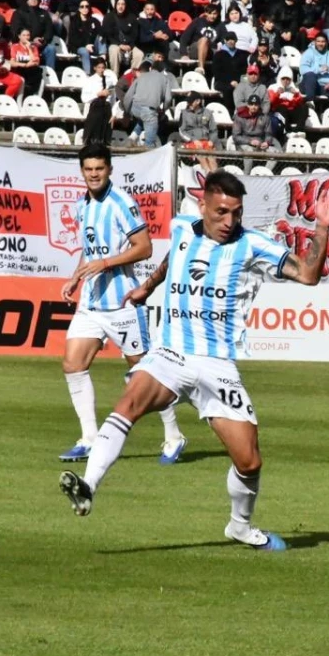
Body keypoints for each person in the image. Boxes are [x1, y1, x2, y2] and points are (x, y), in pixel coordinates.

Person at [58, 173, 329, 553]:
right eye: (222, 212)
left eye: (237, 213)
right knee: (130, 401)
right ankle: (88, 486)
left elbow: (309, 276)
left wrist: (322, 228)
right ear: (203, 207)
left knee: (249, 460)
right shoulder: (181, 228)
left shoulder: (252, 245)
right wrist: (148, 286)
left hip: (217, 364)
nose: (230, 221)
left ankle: (240, 527)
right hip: (171, 352)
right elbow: (168, 260)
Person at [55, 145, 186, 466]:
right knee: (73, 364)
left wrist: (107, 262)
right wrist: (76, 278)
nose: (94, 174)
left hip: (123, 303)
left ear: (109, 169)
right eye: (89, 169)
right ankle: (88, 438)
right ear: (82, 172)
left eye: (99, 168)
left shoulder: (121, 203)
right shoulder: (82, 205)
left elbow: (144, 247)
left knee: (144, 373)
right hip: (91, 302)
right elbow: (90, 251)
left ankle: (173, 435)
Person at [122, 58, 172, 147]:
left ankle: (132, 137)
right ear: (163, 70)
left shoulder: (141, 76)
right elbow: (168, 99)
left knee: (144, 117)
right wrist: (163, 110)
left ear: (151, 68)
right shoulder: (165, 79)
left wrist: (127, 112)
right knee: (149, 144)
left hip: (135, 108)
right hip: (149, 110)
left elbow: (128, 96)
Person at [299, 33, 329, 107]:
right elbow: (303, 70)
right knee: (310, 75)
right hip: (308, 85)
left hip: (325, 87)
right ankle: (310, 103)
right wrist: (320, 69)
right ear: (315, 42)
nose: (320, 44)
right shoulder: (308, 53)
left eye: (323, 41)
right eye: (318, 41)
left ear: (326, 43)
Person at [12, 0, 57, 71]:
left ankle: (50, 74)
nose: (33, 0)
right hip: (24, 45)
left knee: (51, 49)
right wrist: (31, 41)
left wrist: (43, 40)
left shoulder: (44, 13)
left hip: (40, 45)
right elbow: (16, 31)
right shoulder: (19, 13)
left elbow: (49, 31)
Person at [179, 2, 221, 72]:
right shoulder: (197, 21)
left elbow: (225, 38)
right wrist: (184, 54)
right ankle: (201, 69)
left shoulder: (220, 25)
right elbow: (184, 38)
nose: (212, 16)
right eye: (210, 13)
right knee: (204, 39)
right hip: (195, 49)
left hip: (210, 51)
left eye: (214, 14)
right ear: (205, 13)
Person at [102, 0, 141, 73]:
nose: (120, 6)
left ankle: (131, 77)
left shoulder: (132, 17)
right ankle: (115, 76)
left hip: (129, 45)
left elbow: (135, 35)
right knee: (114, 50)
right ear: (115, 5)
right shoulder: (109, 17)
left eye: (123, 4)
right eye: (118, 4)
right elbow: (108, 35)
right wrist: (119, 45)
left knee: (139, 54)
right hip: (115, 44)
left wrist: (130, 46)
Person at [65, 0, 101, 72]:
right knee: (84, 51)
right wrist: (86, 45)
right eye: (82, 6)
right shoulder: (74, 20)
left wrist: (91, 45)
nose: (84, 8)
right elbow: (73, 39)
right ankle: (87, 74)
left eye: (87, 6)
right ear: (79, 8)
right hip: (79, 46)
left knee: (101, 37)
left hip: (93, 47)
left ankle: (103, 56)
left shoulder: (94, 21)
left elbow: (100, 33)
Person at [268, 67, 308, 134]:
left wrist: (296, 94)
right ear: (280, 78)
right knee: (282, 107)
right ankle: (287, 130)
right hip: (279, 112)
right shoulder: (273, 87)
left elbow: (299, 103)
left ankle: (299, 129)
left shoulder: (294, 88)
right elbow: (270, 101)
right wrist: (277, 94)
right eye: (283, 79)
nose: (285, 81)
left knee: (305, 107)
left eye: (288, 79)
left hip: (291, 112)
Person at [9, 26, 44, 97]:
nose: (26, 37)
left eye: (28, 35)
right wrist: (25, 65)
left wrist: (29, 49)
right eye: (24, 35)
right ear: (19, 36)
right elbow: (12, 63)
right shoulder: (15, 47)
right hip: (19, 69)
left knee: (37, 70)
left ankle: (31, 94)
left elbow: (36, 62)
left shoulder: (34, 47)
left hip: (31, 71)